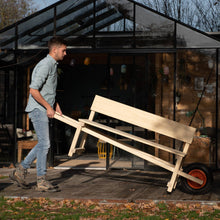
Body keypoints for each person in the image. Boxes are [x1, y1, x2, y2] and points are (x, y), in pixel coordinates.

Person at [10, 36, 67, 192]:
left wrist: (56, 105)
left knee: (43, 143)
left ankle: (20, 170)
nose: (65, 53)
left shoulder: (52, 65)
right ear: (55, 50)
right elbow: (33, 90)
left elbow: (48, 91)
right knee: (45, 143)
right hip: (38, 109)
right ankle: (40, 180)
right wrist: (49, 107)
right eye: (64, 50)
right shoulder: (45, 65)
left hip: (43, 108)